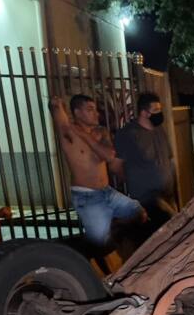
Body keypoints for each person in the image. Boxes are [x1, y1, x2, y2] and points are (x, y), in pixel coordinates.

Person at [49, 94, 145, 248]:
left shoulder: (101, 132)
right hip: (86, 196)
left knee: (138, 213)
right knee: (100, 244)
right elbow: (58, 116)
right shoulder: (69, 134)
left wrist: (84, 135)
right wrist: (56, 104)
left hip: (107, 191)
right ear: (78, 113)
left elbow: (108, 156)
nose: (96, 113)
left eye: (95, 110)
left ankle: (111, 227)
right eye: (90, 109)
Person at [114, 92, 177, 236]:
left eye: (160, 110)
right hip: (148, 198)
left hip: (167, 193)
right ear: (144, 113)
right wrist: (134, 180)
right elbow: (116, 166)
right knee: (169, 231)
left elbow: (169, 157)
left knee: (169, 234)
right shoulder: (129, 134)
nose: (159, 114)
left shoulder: (159, 130)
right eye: (155, 111)